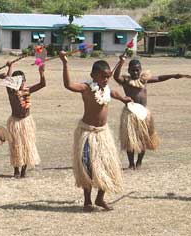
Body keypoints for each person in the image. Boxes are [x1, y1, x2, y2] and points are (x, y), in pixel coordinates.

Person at [59, 51, 132, 212]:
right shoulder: (87, 88)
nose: (106, 79)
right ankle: (87, 201)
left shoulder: (106, 89)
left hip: (103, 133)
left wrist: (123, 99)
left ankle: (100, 198)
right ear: (93, 75)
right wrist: (65, 63)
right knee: (88, 166)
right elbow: (69, 85)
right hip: (87, 133)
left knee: (108, 165)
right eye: (102, 76)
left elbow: (113, 93)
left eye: (107, 76)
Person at [113, 57, 191, 170]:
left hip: (144, 114)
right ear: (129, 70)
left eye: (137, 70)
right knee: (131, 139)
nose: (135, 72)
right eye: (133, 70)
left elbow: (159, 78)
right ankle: (131, 164)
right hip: (130, 114)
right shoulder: (126, 81)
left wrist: (173, 75)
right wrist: (120, 63)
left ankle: (139, 163)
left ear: (141, 70)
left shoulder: (144, 80)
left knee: (144, 138)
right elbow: (115, 76)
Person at [5, 61, 46, 178]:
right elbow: (8, 80)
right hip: (15, 123)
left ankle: (24, 170)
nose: (22, 82)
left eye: (23, 80)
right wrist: (10, 67)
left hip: (27, 122)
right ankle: (16, 170)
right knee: (16, 146)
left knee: (27, 146)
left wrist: (42, 73)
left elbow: (42, 84)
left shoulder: (27, 90)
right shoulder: (11, 92)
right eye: (19, 81)